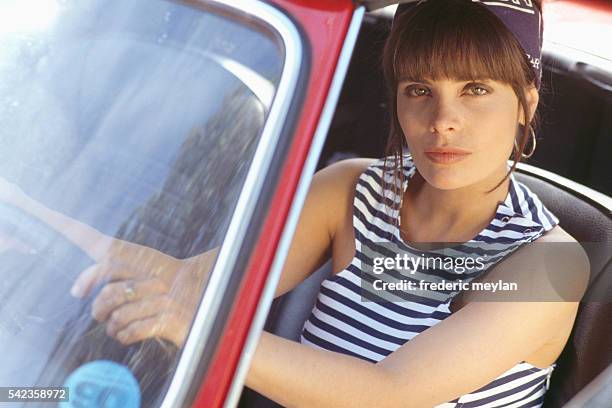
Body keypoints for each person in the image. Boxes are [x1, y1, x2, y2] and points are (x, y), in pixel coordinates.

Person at [0, 0, 589, 406]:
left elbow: (389, 394)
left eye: (476, 91)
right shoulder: (356, 189)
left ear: (526, 104)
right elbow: (195, 284)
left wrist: (196, 324)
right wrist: (30, 214)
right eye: (419, 91)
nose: (443, 121)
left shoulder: (549, 263)